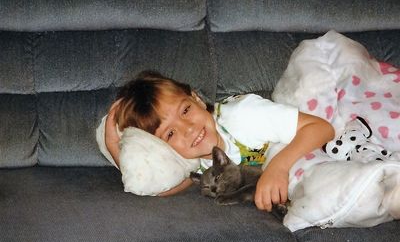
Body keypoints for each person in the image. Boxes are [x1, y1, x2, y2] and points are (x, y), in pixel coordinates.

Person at [104, 70, 335, 212]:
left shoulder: (244, 116)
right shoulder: (193, 162)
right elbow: (159, 188)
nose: (188, 129)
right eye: (170, 134)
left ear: (196, 99)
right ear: (163, 148)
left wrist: (278, 168)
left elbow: (322, 128)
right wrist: (116, 148)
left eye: (185, 110)